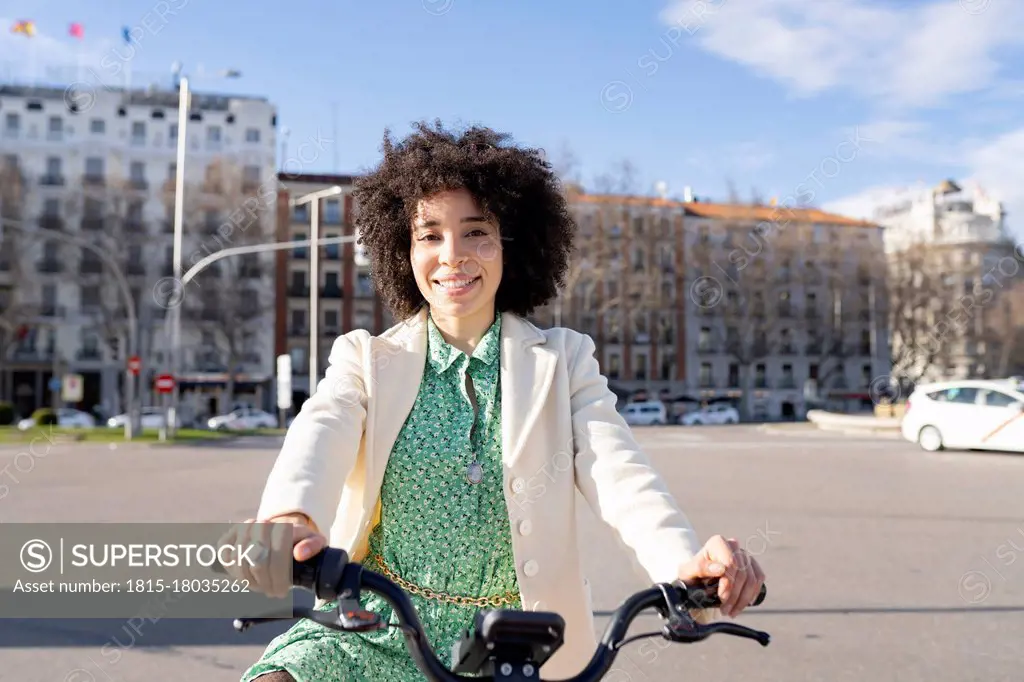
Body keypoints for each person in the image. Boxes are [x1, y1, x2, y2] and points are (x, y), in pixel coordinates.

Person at [234, 121, 766, 682]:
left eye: (476, 232)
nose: (453, 256)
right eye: (430, 234)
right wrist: (292, 517)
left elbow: (620, 472)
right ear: (402, 248)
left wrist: (685, 565)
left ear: (511, 243)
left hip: (516, 644)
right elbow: (322, 431)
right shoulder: (365, 359)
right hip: (370, 628)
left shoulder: (564, 361)